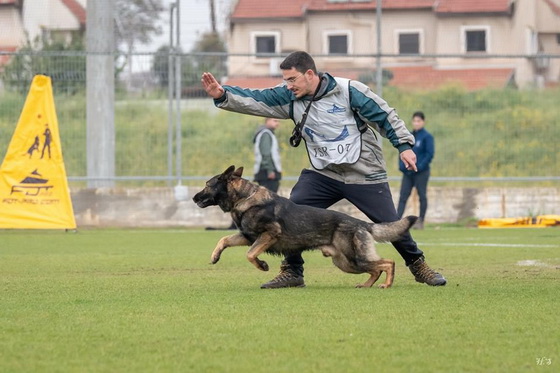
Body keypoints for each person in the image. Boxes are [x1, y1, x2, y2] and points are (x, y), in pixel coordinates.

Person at [201, 51, 446, 288]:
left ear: (310, 74)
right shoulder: (289, 96)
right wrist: (223, 94)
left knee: (389, 222)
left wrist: (403, 145)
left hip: (364, 174)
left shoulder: (350, 91)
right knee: (288, 213)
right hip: (323, 174)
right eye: (284, 80)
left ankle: (418, 265)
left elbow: (384, 116)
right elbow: (257, 98)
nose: (287, 85)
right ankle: (292, 272)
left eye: (292, 79)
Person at [397, 111, 434, 230]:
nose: (416, 123)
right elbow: (402, 151)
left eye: (419, 121)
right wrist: (403, 167)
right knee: (403, 196)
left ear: (423, 122)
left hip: (421, 172)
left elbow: (429, 154)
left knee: (422, 195)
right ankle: (397, 221)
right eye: (414, 121)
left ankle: (421, 221)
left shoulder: (427, 137)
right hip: (408, 173)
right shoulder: (409, 136)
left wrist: (418, 167)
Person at [253, 117, 282, 192]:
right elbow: (266, 153)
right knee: (269, 200)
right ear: (267, 120)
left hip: (266, 172)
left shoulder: (267, 133)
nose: (277, 123)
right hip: (267, 173)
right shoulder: (266, 134)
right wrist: (270, 171)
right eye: (275, 121)